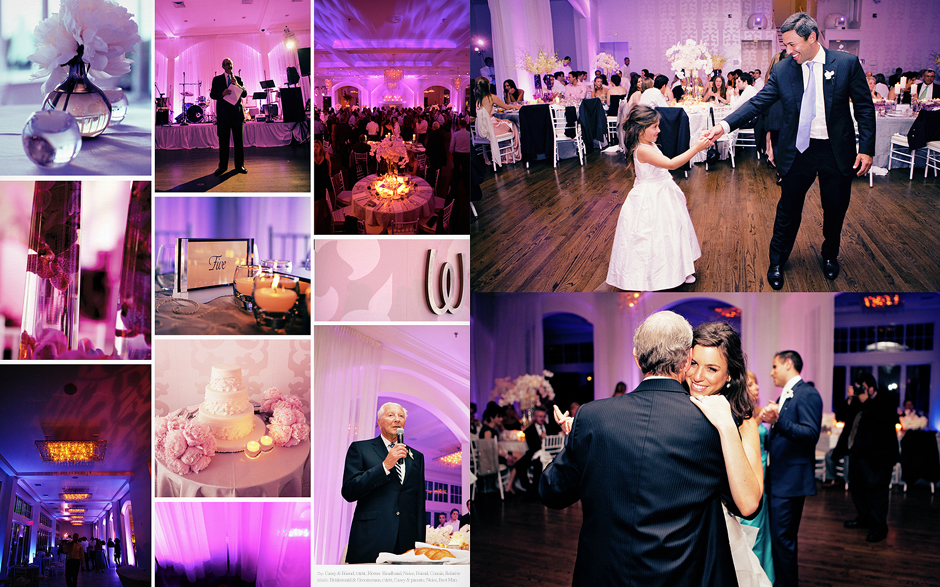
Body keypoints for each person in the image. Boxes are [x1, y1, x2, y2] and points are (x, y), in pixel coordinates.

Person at [540, 311, 760, 587]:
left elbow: (552, 492)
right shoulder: (710, 426)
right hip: (682, 574)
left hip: (605, 576)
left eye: (712, 368)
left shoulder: (593, 417)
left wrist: (577, 442)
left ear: (636, 357)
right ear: (686, 360)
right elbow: (746, 507)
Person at [703, 12, 875, 290]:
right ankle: (777, 260)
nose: (788, 50)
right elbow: (758, 103)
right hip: (799, 151)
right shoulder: (784, 69)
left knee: (835, 208)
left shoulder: (846, 64)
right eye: (785, 45)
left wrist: (866, 148)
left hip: (836, 151)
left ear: (812, 37)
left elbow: (865, 109)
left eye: (793, 44)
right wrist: (724, 126)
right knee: (788, 208)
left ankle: (830, 255)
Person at [686, 323, 771, 587]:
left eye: (712, 369)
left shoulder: (741, 422)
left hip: (714, 537)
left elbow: (748, 504)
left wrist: (725, 424)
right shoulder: (674, 407)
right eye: (692, 363)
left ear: (730, 375)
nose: (698, 376)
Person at [605, 105, 708, 291]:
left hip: (663, 192)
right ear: (640, 129)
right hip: (651, 198)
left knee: (672, 232)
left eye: (658, 126)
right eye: (654, 127)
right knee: (652, 237)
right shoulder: (642, 150)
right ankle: (652, 277)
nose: (659, 130)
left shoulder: (649, 144)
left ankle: (679, 269)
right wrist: (696, 148)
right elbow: (671, 164)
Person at [761, 350, 823, 587]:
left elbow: (810, 434)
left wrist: (778, 421)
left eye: (775, 366)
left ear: (788, 364)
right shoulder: (785, 396)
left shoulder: (807, 393)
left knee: (783, 540)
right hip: (779, 479)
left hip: (790, 481)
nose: (771, 372)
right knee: (779, 539)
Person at [342, 402, 426, 563]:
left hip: (406, 542)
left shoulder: (417, 456)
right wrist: (385, 466)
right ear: (379, 422)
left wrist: (420, 543)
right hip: (371, 537)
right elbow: (349, 491)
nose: (397, 419)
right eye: (391, 415)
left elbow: (419, 503)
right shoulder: (361, 449)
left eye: (401, 416)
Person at [841, 373, 900, 543]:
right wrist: (851, 399)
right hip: (858, 454)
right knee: (857, 489)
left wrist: (866, 400)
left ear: (871, 387)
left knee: (877, 493)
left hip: (879, 457)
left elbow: (884, 418)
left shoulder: (886, 399)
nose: (859, 390)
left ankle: (879, 528)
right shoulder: (858, 402)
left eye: (862, 387)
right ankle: (863, 518)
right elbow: (843, 417)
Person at [741, 371, 775, 584]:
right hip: (750, 472)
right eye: (752, 384)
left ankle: (764, 575)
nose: (757, 388)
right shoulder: (742, 415)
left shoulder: (757, 410)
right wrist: (759, 419)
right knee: (751, 525)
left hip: (764, 471)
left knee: (763, 525)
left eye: (757, 383)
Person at [209, 58, 248, 176]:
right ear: (223, 66)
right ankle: (222, 167)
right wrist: (222, 93)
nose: (229, 66)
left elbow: (245, 93)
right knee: (224, 142)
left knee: (238, 142)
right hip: (224, 116)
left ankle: (239, 165)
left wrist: (237, 85)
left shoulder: (238, 79)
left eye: (231, 64)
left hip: (237, 114)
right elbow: (212, 95)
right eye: (227, 64)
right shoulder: (217, 79)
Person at [474, 77, 521, 163]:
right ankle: (512, 155)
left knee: (505, 122)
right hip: (491, 128)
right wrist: (516, 106)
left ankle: (505, 154)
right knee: (512, 124)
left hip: (481, 129)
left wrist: (498, 119)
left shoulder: (478, 100)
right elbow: (506, 106)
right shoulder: (491, 97)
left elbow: (485, 116)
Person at [514, 405, 559, 495]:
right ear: (534, 417)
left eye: (543, 416)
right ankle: (529, 490)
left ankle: (538, 491)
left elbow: (557, 436)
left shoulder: (550, 428)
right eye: (539, 416)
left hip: (549, 455)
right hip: (533, 453)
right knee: (519, 465)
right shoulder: (529, 430)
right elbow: (532, 446)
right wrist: (540, 438)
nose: (542, 418)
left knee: (538, 464)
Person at [314, 139, 335, 234]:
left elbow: (329, 165)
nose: (315, 148)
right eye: (313, 146)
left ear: (320, 147)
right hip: (316, 181)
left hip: (324, 179)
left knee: (327, 196)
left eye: (317, 146)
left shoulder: (325, 155)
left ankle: (326, 210)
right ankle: (314, 225)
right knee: (316, 203)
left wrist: (330, 172)